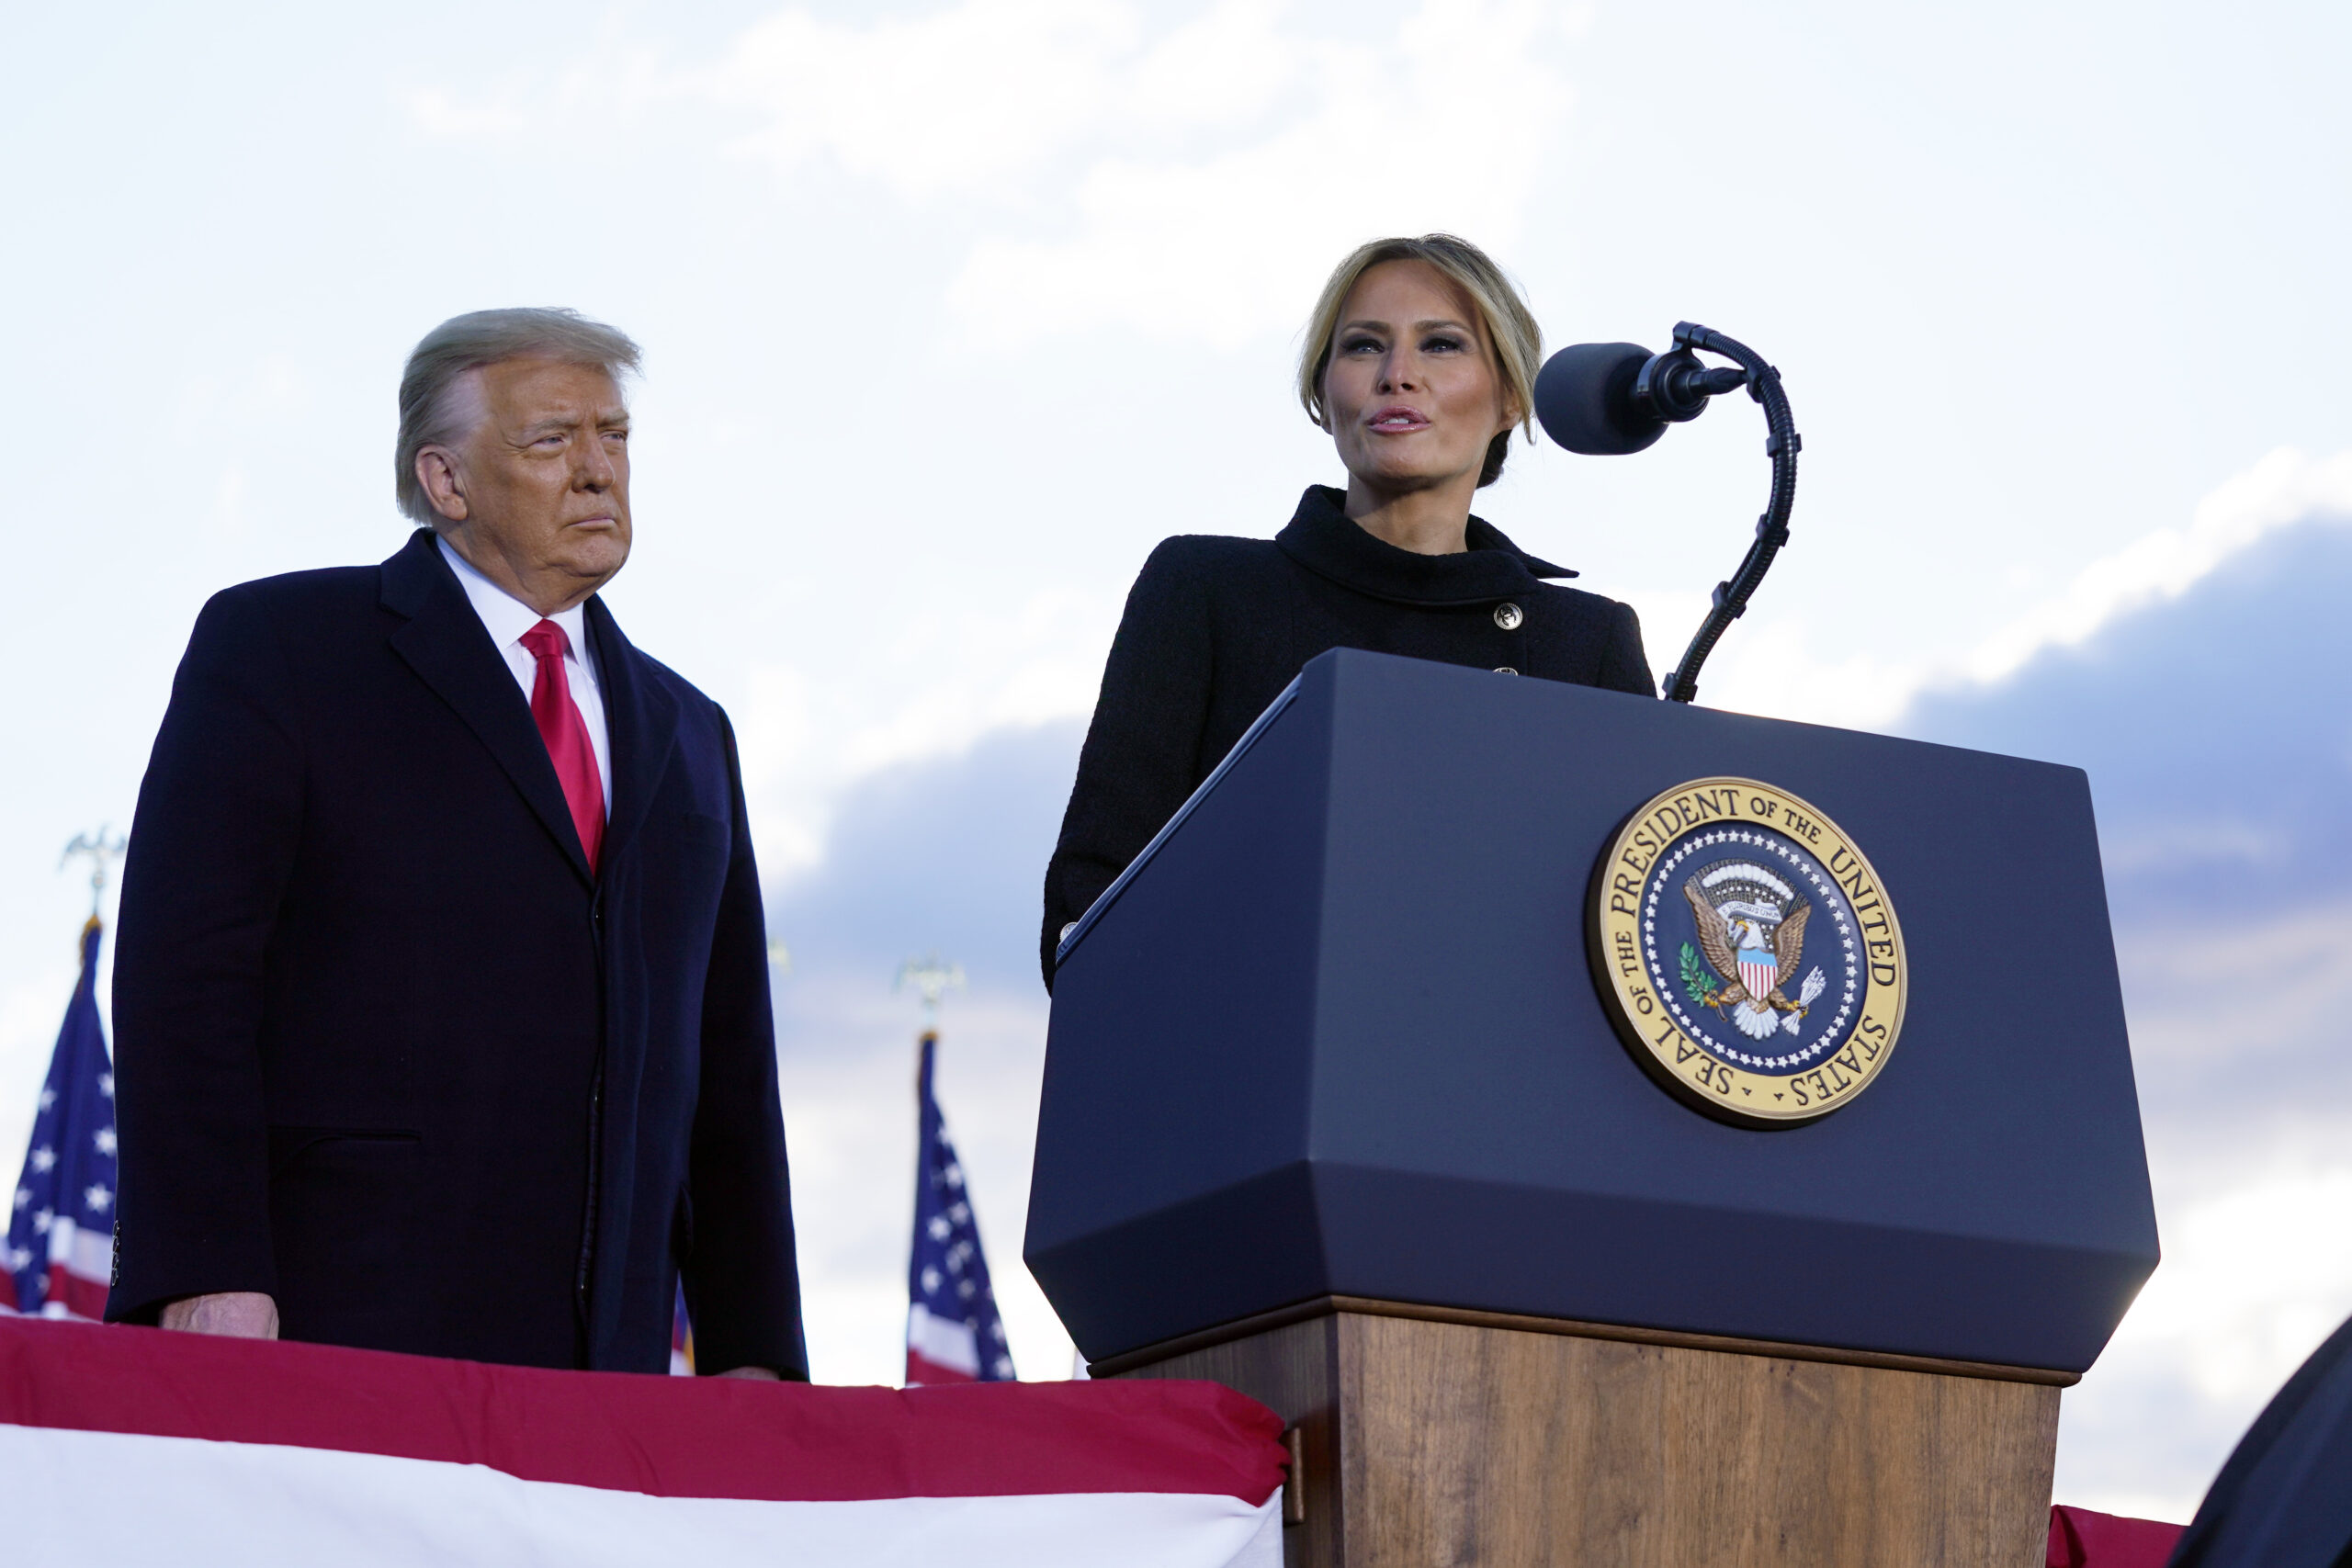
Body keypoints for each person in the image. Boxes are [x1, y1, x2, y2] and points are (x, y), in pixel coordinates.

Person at [107, 309, 806, 1380]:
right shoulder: (283, 651)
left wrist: (755, 1355)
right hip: (329, 1338)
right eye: (550, 440)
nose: (596, 473)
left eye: (614, 438)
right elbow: (185, 981)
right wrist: (204, 1267)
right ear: (445, 480)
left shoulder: (689, 731)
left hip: (605, 1380)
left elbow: (726, 1067)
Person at [1040, 234, 1656, 988]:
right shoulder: (1204, 588)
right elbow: (1092, 908)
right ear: (1323, 391)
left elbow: (1629, 955)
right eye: (1365, 347)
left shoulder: (1586, 642)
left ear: (1510, 397)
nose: (1399, 376)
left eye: (1441, 345)